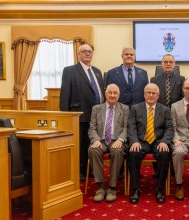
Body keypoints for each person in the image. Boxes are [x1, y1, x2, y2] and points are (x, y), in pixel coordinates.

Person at [60, 44, 104, 181]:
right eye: (84, 51)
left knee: (95, 144)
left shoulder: (97, 71)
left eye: (90, 51)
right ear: (78, 54)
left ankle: (91, 169)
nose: (87, 54)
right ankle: (80, 171)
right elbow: (65, 95)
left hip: (97, 117)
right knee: (81, 145)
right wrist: (65, 117)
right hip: (79, 115)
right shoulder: (70, 71)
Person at [127, 83, 174, 204]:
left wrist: (164, 141)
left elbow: (169, 128)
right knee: (133, 152)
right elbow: (131, 127)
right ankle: (135, 189)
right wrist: (134, 141)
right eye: (149, 92)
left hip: (158, 142)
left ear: (158, 95)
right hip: (141, 141)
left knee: (165, 153)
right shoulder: (135, 108)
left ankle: (159, 189)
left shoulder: (165, 110)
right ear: (144, 94)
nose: (151, 95)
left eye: (154, 93)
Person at [88, 84, 129, 203]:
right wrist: (95, 140)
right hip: (100, 140)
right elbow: (92, 128)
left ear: (119, 95)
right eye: (110, 93)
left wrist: (120, 140)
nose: (112, 95)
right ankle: (100, 186)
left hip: (116, 140)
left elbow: (127, 128)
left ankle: (112, 187)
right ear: (105, 94)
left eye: (115, 93)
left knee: (117, 151)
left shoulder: (125, 109)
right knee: (92, 150)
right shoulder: (96, 108)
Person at [150, 54, 185, 178]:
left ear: (174, 64)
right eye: (166, 62)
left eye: (171, 62)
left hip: (175, 116)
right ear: (162, 64)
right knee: (158, 140)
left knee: (173, 141)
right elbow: (152, 98)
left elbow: (182, 98)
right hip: (158, 116)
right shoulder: (154, 80)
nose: (168, 64)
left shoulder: (181, 79)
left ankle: (173, 170)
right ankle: (157, 170)